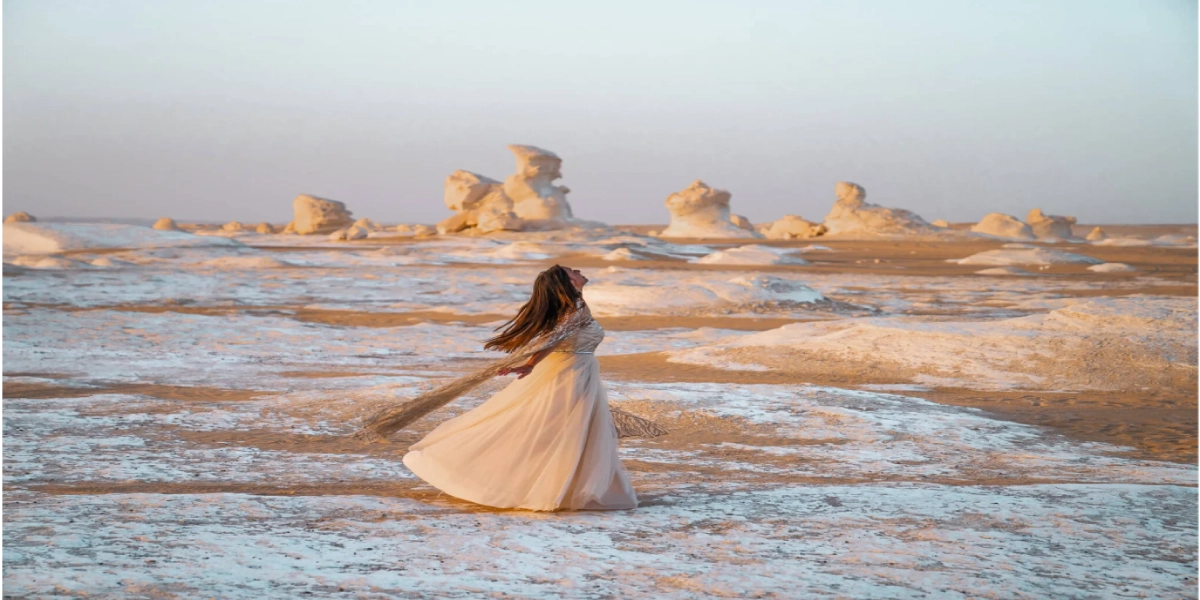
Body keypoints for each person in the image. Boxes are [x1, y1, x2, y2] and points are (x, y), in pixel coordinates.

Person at [357, 265, 663, 511]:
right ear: (568, 282)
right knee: (556, 430)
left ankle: (564, 486)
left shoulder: (575, 308)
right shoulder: (576, 309)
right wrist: (528, 360)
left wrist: (531, 363)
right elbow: (554, 338)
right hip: (568, 375)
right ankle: (532, 484)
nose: (579, 270)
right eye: (572, 270)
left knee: (568, 431)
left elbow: (557, 340)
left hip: (575, 371)